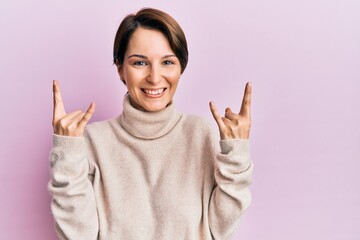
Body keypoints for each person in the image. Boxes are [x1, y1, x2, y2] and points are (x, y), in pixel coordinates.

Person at [48, 7, 253, 240]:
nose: (155, 77)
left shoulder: (202, 134)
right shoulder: (92, 142)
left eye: (167, 62)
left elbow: (221, 231)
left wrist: (236, 154)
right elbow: (78, 235)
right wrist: (67, 152)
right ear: (120, 69)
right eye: (140, 63)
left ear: (180, 68)